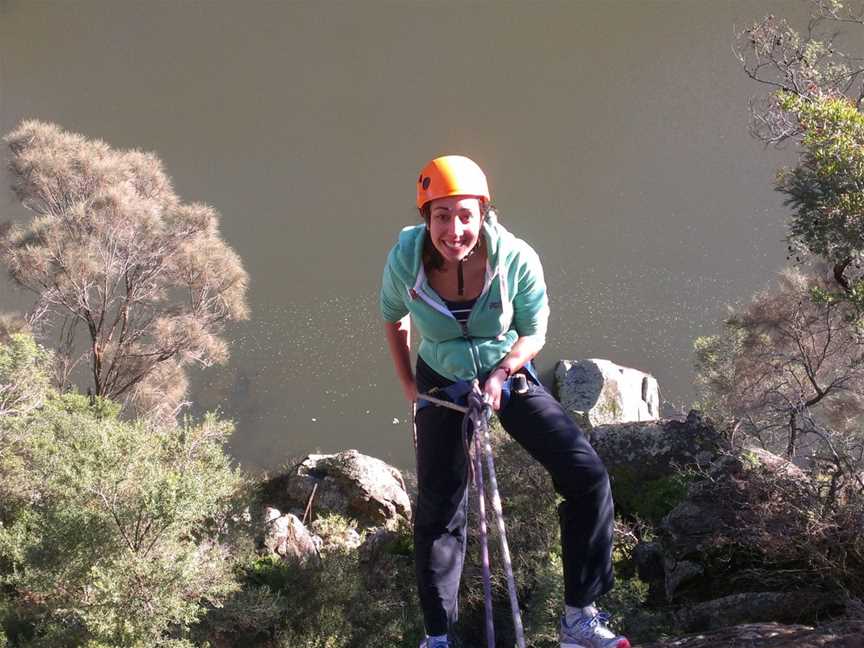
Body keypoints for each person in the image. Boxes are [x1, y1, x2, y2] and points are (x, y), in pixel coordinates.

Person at [380, 155, 630, 648]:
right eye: (442, 216)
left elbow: (534, 330)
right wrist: (410, 387)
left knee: (587, 475)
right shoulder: (405, 259)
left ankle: (579, 616)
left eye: (465, 215)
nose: (455, 229)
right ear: (425, 217)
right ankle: (438, 637)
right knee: (439, 506)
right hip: (441, 381)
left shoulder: (514, 257)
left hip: (505, 371)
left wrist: (501, 373)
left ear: (484, 213)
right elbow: (394, 316)